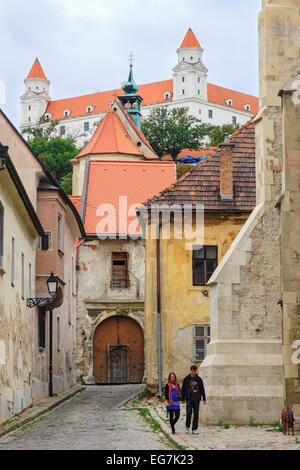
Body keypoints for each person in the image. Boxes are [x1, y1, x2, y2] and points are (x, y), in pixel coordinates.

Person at [181, 365, 206, 434]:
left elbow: (202, 389)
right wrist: (182, 398)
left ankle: (194, 429)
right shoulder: (186, 379)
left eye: (194, 371)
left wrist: (204, 398)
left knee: (196, 414)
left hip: (196, 399)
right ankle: (187, 427)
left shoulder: (199, 379)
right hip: (189, 398)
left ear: (196, 371)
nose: (193, 372)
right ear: (190, 371)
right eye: (192, 371)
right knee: (189, 413)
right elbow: (183, 389)